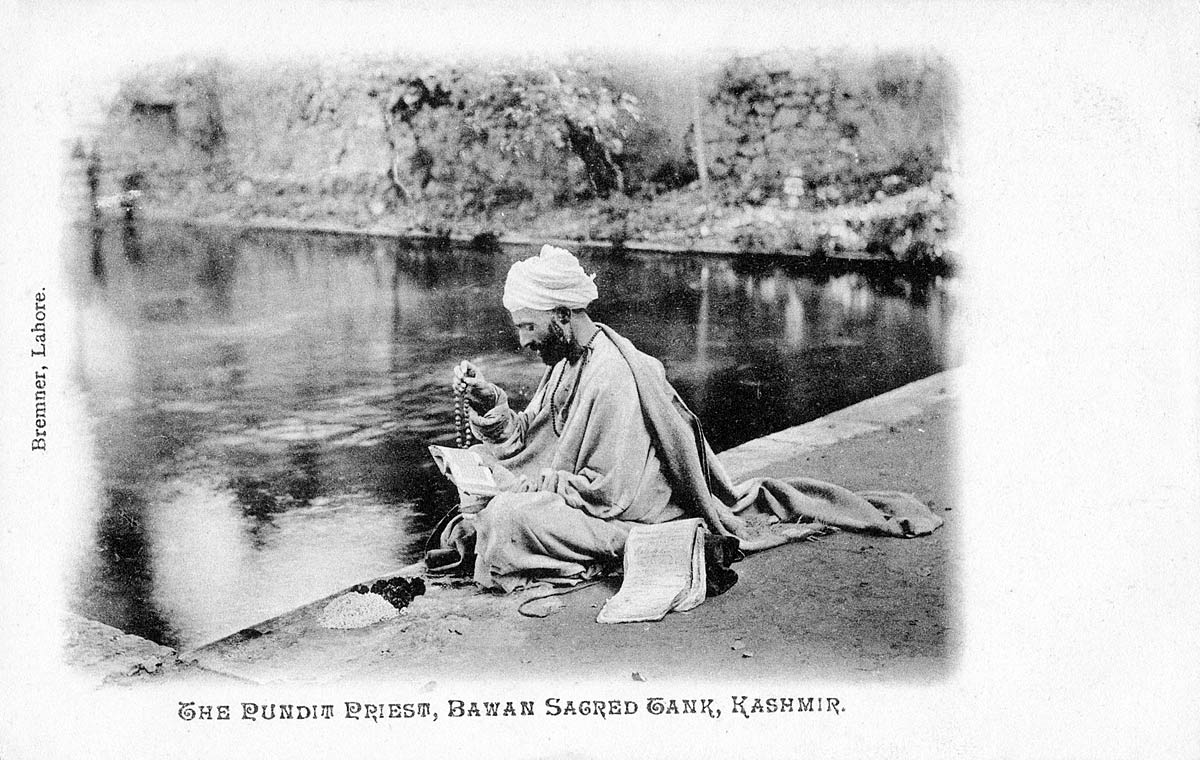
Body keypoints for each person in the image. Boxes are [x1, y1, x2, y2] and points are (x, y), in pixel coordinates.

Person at [438, 244, 943, 592]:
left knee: (504, 517)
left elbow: (611, 494)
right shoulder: (570, 361)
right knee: (487, 479)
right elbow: (530, 437)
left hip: (634, 512)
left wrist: (520, 489)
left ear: (562, 314)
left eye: (529, 327)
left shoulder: (613, 374)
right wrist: (488, 403)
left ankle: (665, 546)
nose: (524, 342)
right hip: (587, 497)